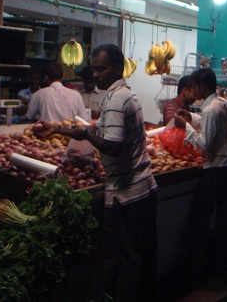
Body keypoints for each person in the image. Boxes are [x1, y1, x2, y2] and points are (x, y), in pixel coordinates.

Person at [38, 44, 158, 302]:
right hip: (140, 189)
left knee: (126, 260)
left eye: (101, 69)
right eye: (93, 69)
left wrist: (85, 135)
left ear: (117, 68)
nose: (95, 75)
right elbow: (97, 127)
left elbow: (112, 146)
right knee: (135, 257)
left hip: (128, 194)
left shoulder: (116, 99)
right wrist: (58, 128)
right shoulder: (124, 94)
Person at [173, 68, 227, 281]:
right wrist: (192, 117)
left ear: (202, 87)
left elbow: (206, 143)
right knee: (224, 221)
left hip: (217, 171)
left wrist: (186, 126)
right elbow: (211, 124)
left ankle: (199, 270)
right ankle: (224, 267)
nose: (193, 92)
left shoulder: (211, 109)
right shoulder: (222, 103)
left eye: (194, 88)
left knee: (202, 220)